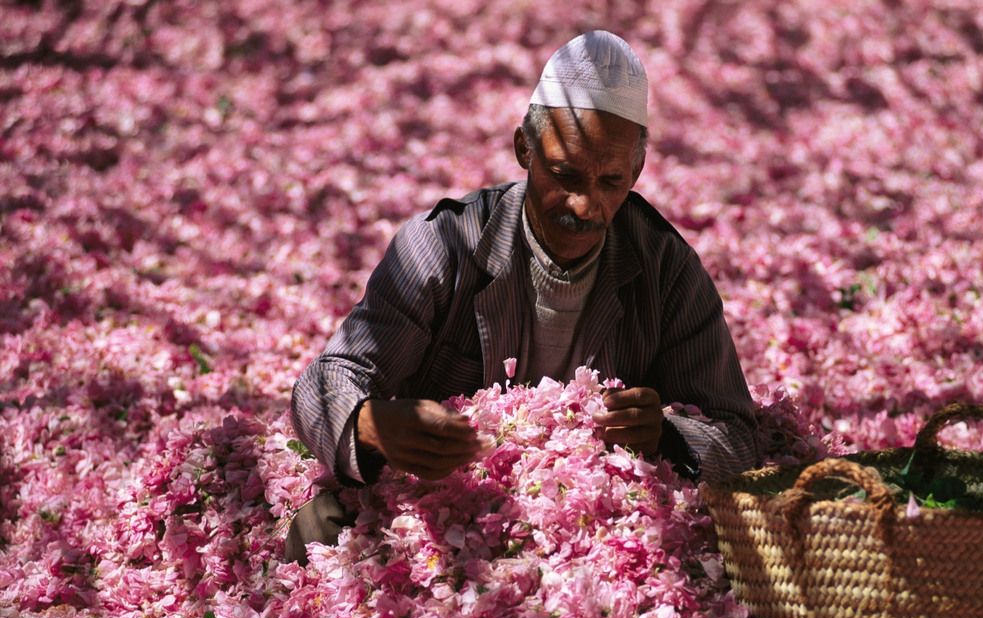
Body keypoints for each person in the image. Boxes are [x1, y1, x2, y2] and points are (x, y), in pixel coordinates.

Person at [286, 30, 759, 563]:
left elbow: (738, 435)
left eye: (610, 182)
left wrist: (667, 437)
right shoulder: (444, 245)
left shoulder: (667, 270)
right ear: (523, 148)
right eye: (565, 175)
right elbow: (323, 381)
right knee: (321, 531)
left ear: (637, 172)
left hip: (594, 541)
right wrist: (371, 424)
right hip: (440, 521)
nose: (585, 206)